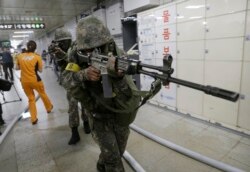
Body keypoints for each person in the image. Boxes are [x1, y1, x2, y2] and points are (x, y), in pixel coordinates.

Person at [65, 16, 141, 172]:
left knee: (117, 152)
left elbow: (128, 93)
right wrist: (83, 74)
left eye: (97, 47)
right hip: (96, 112)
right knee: (113, 160)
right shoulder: (75, 53)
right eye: (86, 49)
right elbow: (65, 80)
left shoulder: (116, 52)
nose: (90, 52)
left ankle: (101, 166)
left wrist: (119, 77)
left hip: (118, 112)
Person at [52, 29, 91, 145]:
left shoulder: (76, 47)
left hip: (82, 79)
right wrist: (58, 55)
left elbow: (73, 61)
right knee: (72, 106)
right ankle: (74, 131)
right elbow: (62, 67)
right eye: (60, 42)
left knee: (85, 104)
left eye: (64, 42)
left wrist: (62, 54)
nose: (62, 44)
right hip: (71, 82)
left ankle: (86, 123)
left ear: (69, 40)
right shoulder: (59, 50)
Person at [16, 40, 53, 125]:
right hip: (35, 80)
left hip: (24, 81)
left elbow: (17, 68)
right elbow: (40, 70)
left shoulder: (20, 56)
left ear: (26, 47)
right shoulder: (37, 57)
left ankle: (33, 119)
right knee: (42, 93)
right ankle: (48, 108)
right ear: (35, 48)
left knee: (31, 99)